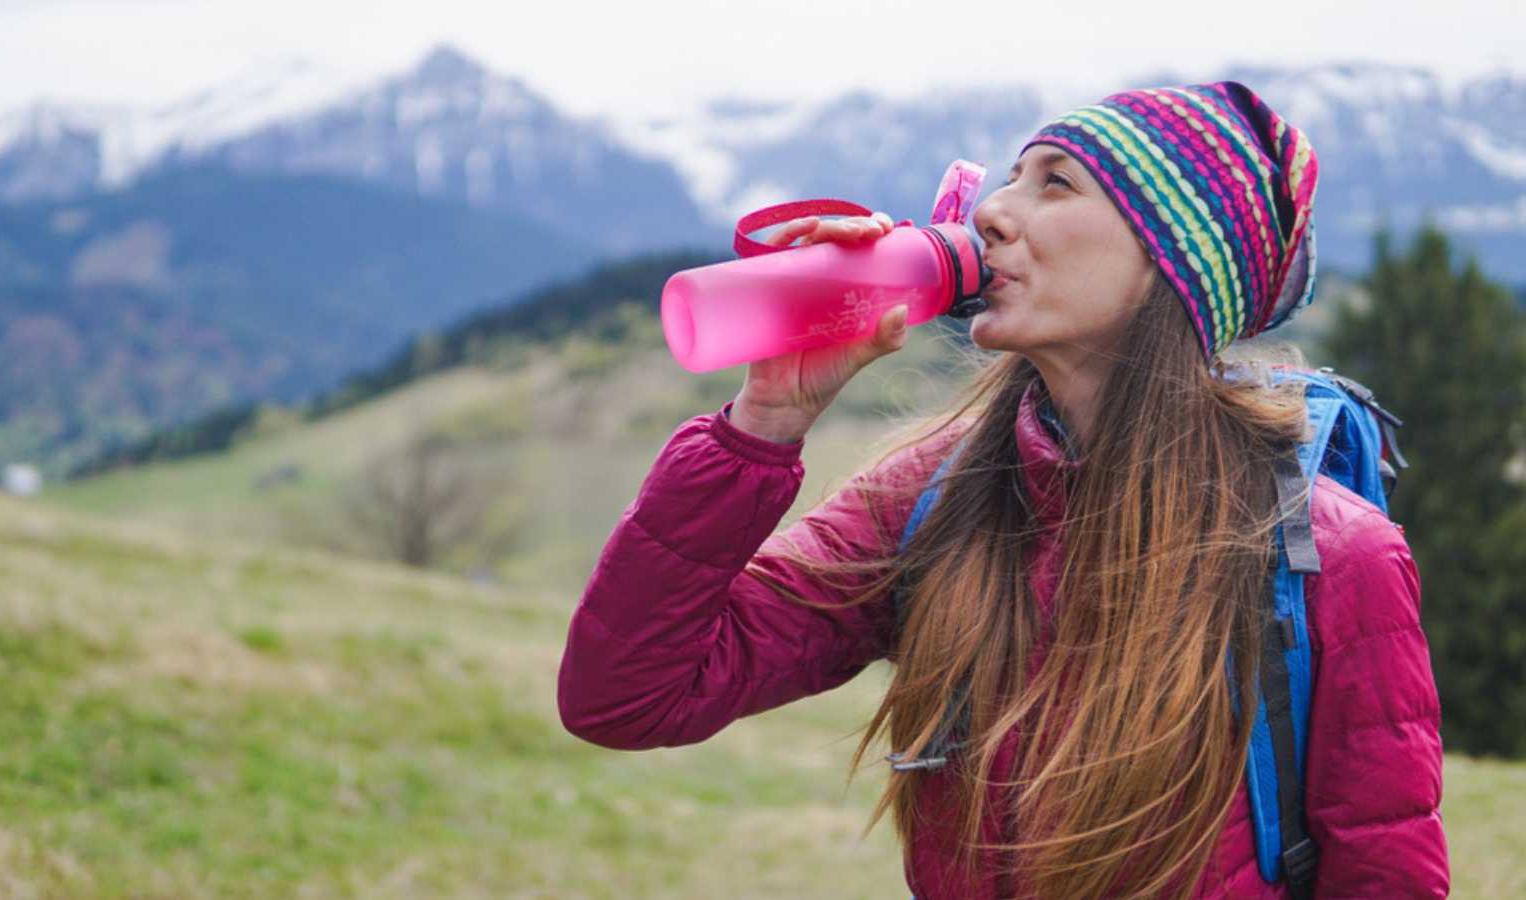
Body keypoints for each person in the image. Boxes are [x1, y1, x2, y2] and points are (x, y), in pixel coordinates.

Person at [558, 81, 1449, 898]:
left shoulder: (1329, 559)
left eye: (1056, 185)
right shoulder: (938, 496)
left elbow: (1388, 877)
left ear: (1172, 264)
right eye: (1011, 177)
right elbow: (628, 696)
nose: (991, 211)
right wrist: (767, 420)